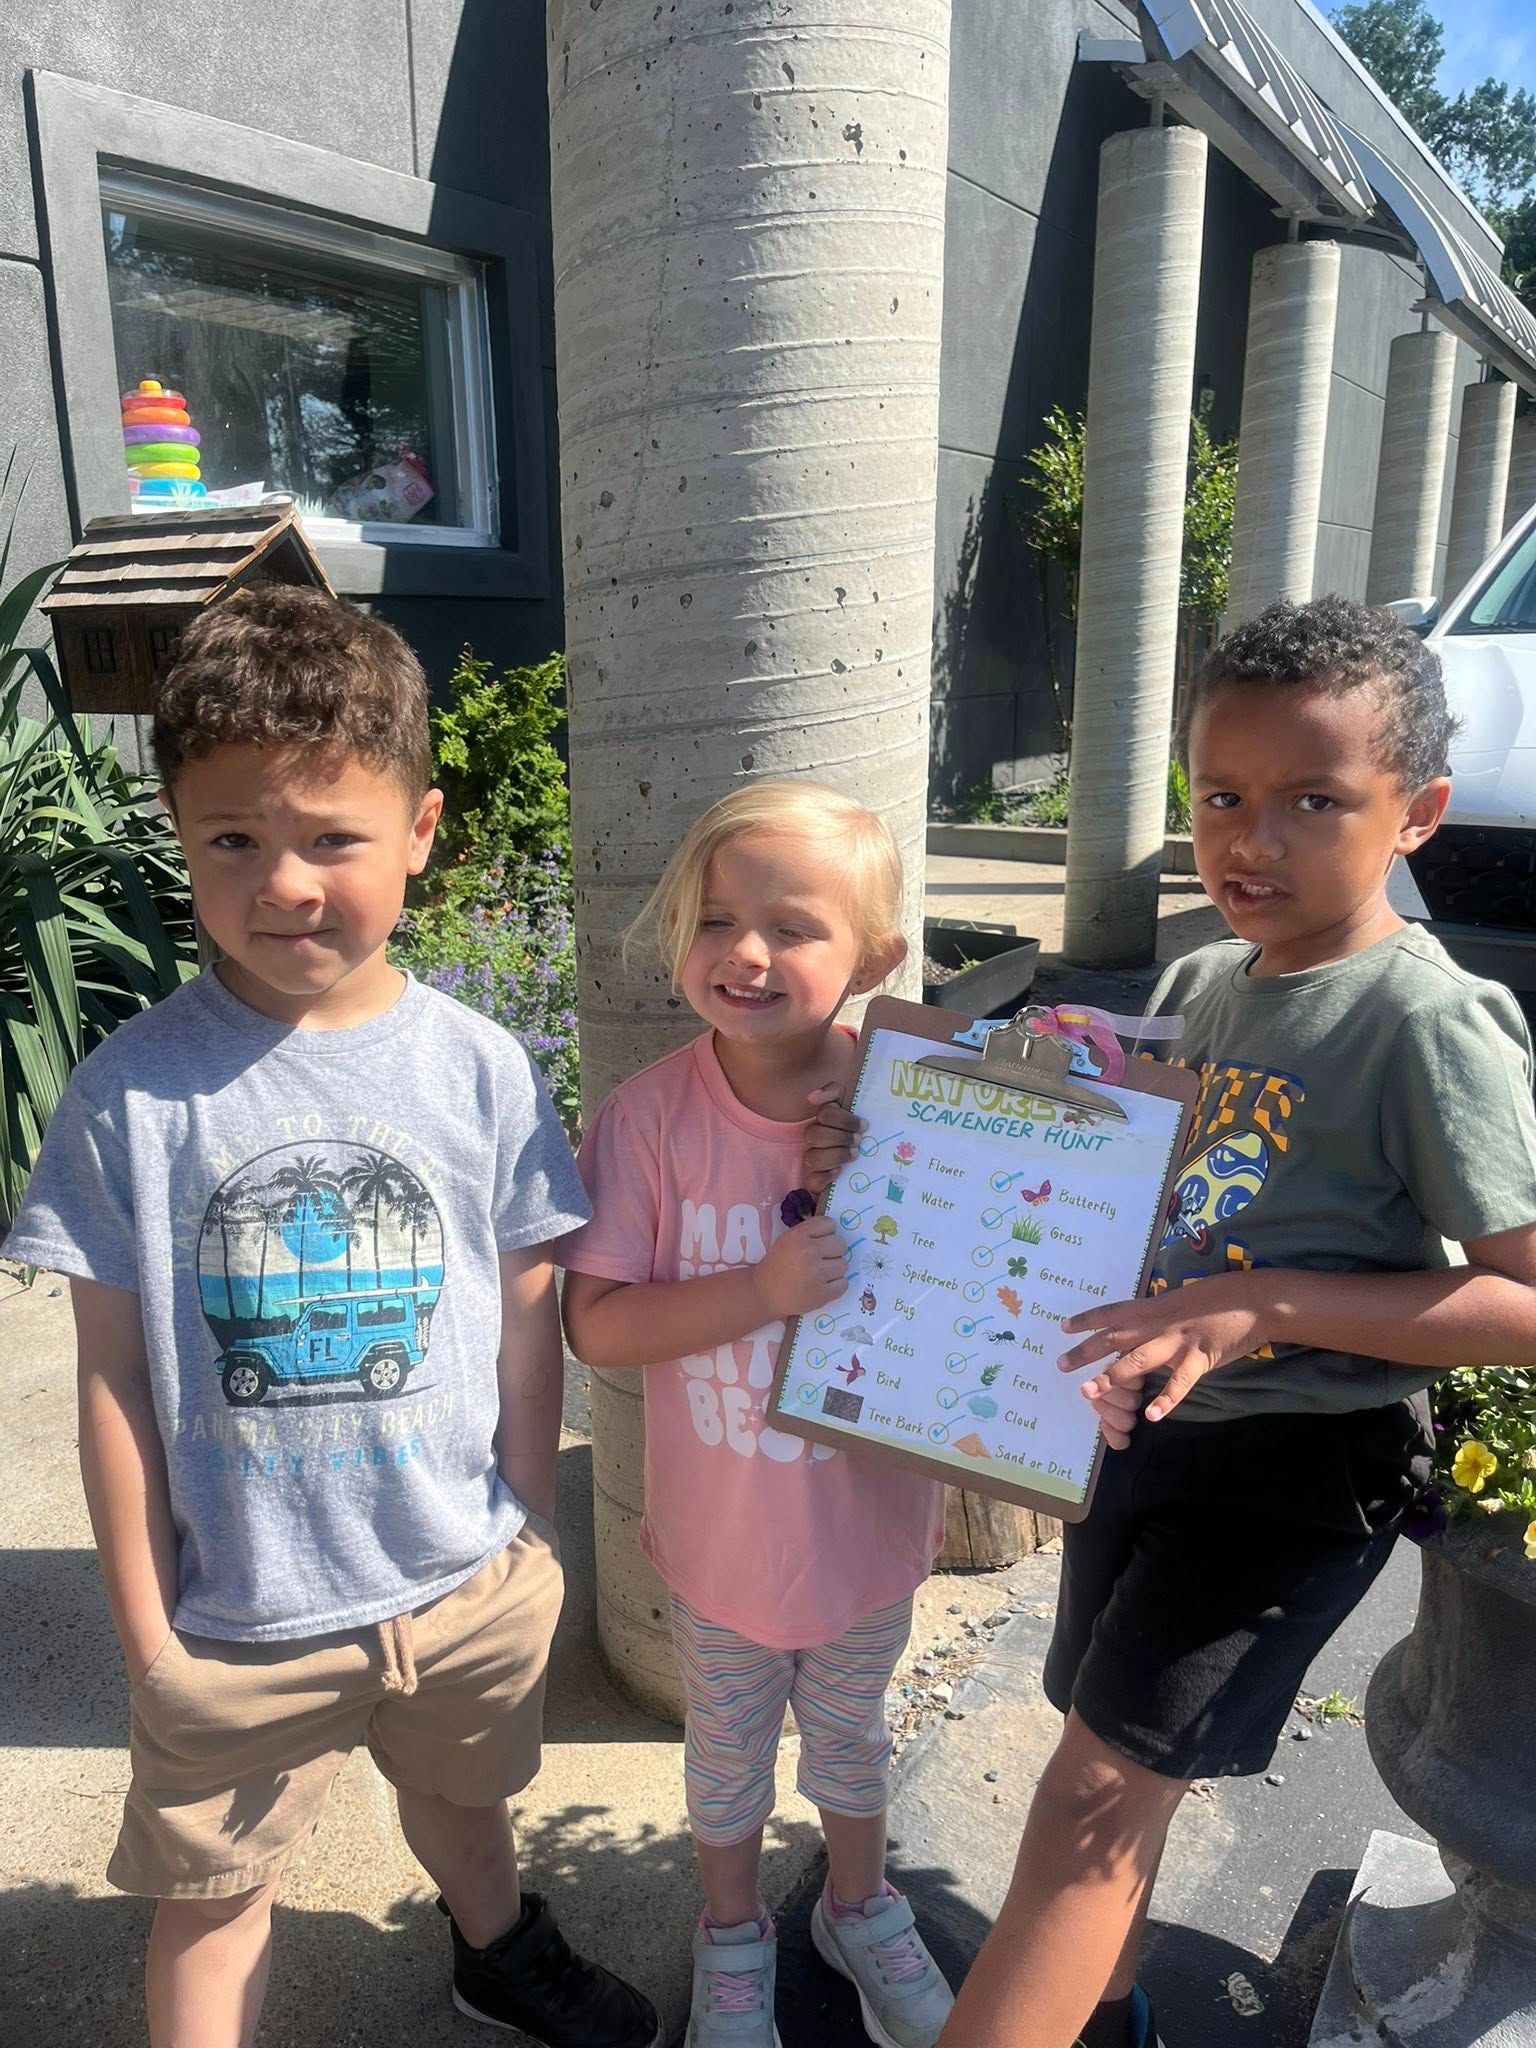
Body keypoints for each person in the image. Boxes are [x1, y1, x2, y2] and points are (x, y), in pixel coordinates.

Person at [812, 596, 1536, 2048]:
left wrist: (1262, 1302)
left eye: (1314, 800)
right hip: (1143, 1435)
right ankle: (1112, 2015)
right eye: (1222, 796)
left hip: (1293, 1471)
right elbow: (1151, 1198)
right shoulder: (1205, 980)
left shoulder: (1424, 1022)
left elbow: (1525, 1300)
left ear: (1419, 813)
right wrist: (930, 1161)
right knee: (1103, 1756)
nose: (1251, 840)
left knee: (1089, 1795)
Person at [2, 587, 660, 2048]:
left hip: (461, 1576)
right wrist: (144, 1631)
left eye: (331, 839)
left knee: (468, 1803)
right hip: (235, 1616)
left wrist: (531, 1527)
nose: (284, 883)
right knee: (214, 1892)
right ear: (177, 831)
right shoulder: (131, 1096)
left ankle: (493, 1948)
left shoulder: (482, 1069)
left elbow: (530, 1294)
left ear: (420, 831)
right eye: (233, 838)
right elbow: (106, 1378)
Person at [560, 780, 956, 2048]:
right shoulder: (648, 1121)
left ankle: (859, 1904)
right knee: (724, 1759)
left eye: (792, 926)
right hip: (725, 1545)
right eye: (716, 917)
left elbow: (997, 1273)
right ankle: (732, 1933)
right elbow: (599, 1323)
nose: (745, 951)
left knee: (852, 1741)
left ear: (875, 957)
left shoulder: (921, 1101)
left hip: (868, 1530)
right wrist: (759, 1288)